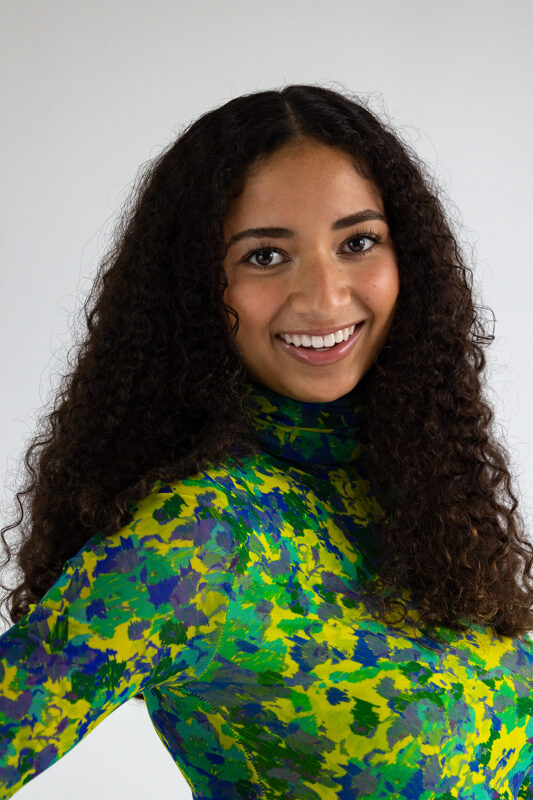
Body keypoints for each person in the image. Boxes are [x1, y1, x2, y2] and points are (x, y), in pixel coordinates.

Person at [0, 83, 532, 799]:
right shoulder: (203, 534)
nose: (325, 296)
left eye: (358, 242)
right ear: (195, 288)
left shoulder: (418, 487)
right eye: (264, 256)